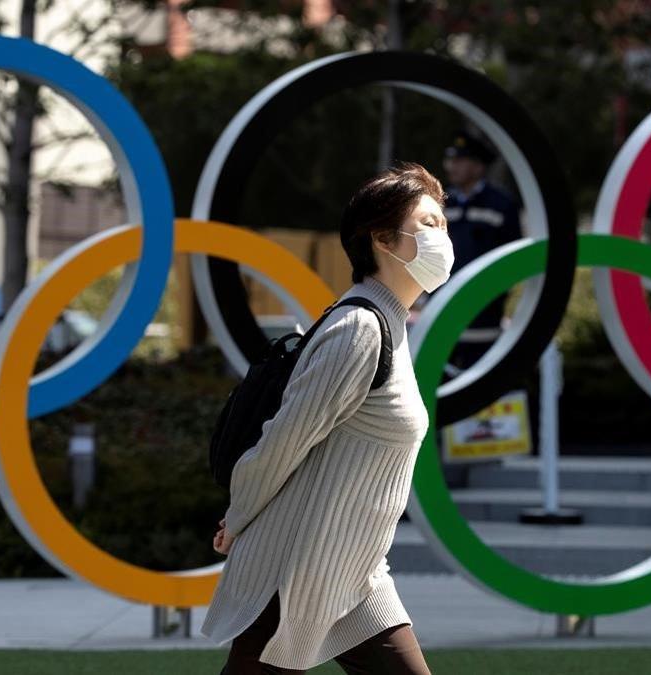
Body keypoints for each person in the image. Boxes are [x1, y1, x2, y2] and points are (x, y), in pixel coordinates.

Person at [201, 161, 448, 674]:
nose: (441, 236)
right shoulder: (360, 328)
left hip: (353, 575)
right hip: (291, 571)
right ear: (382, 238)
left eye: (442, 224)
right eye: (428, 224)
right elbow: (281, 444)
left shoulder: (393, 327)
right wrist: (238, 517)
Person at [424, 129, 522, 373]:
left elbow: (512, 263)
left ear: (478, 167)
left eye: (460, 160)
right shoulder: (440, 204)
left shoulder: (501, 205)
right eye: (450, 159)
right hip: (440, 323)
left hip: (483, 325)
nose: (451, 166)